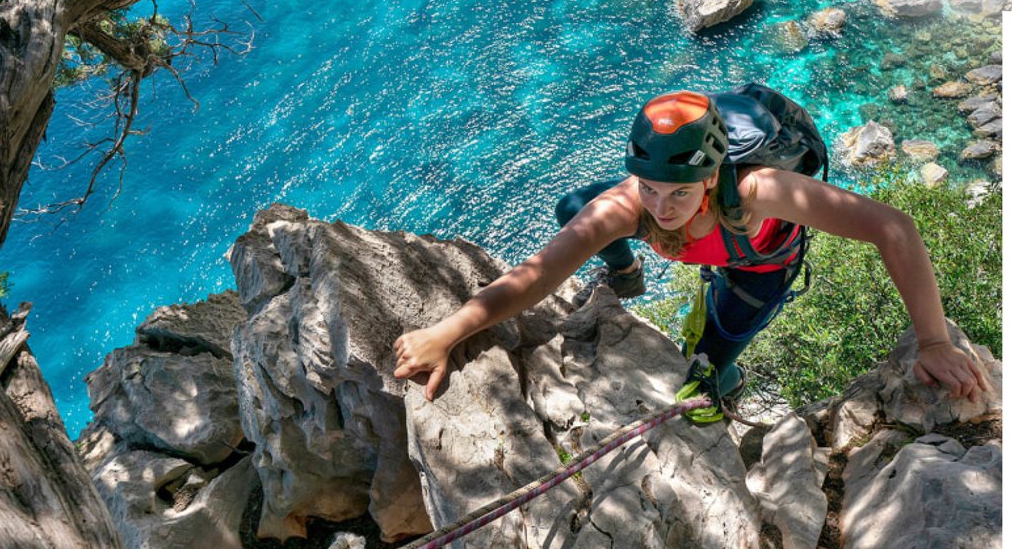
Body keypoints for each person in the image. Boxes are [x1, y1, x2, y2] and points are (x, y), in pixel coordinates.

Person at [393, 89, 991, 407]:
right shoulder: (631, 205)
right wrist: (449, 332)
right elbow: (538, 274)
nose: (661, 207)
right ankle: (626, 276)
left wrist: (934, 341)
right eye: (649, 188)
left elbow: (895, 228)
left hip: (757, 267)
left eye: (678, 192)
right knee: (574, 209)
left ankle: (723, 386)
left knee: (707, 360)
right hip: (711, 251)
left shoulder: (758, 191)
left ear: (712, 176)